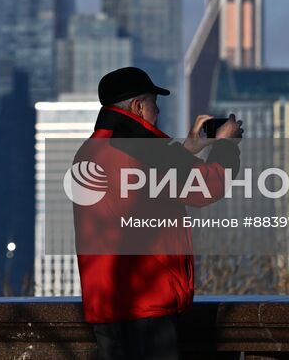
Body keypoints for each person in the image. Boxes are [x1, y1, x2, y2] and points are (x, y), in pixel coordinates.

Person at [73, 66, 242, 360]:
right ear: (138, 107)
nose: (158, 111)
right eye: (154, 103)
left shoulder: (90, 150)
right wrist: (227, 146)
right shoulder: (142, 148)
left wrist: (187, 150)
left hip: (106, 306)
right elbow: (207, 187)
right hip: (147, 304)